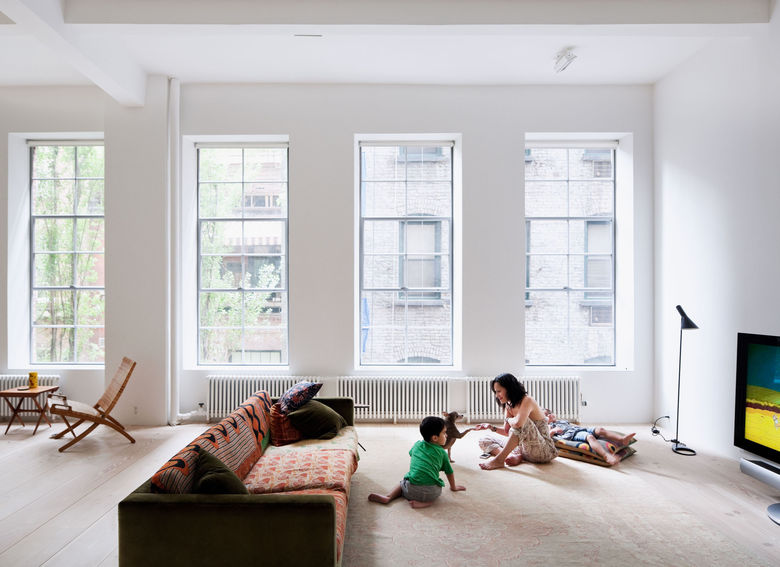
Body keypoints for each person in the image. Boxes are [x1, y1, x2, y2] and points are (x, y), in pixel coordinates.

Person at [368, 415, 466, 508]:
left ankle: (388, 497)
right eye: (444, 433)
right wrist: (453, 487)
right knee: (437, 491)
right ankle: (426, 503)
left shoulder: (417, 445)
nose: (447, 435)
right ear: (435, 438)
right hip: (431, 493)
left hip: (410, 490)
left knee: (403, 482)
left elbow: (412, 454)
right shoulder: (442, 453)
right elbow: (449, 472)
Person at [474, 373, 557, 470]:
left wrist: (508, 419)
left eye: (499, 391)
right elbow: (508, 432)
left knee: (521, 422)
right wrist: (491, 427)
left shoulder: (527, 400)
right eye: (495, 392)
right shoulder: (508, 405)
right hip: (523, 450)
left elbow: (517, 424)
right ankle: (511, 456)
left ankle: (500, 459)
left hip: (543, 451)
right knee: (484, 439)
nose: (497, 395)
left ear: (509, 389)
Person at [547, 414, 635, 466]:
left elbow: (573, 425)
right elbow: (548, 435)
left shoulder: (560, 421)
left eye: (550, 413)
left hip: (581, 429)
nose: (550, 415)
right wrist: (553, 431)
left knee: (600, 430)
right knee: (590, 437)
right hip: (573, 434)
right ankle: (606, 456)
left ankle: (622, 439)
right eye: (546, 415)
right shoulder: (549, 425)